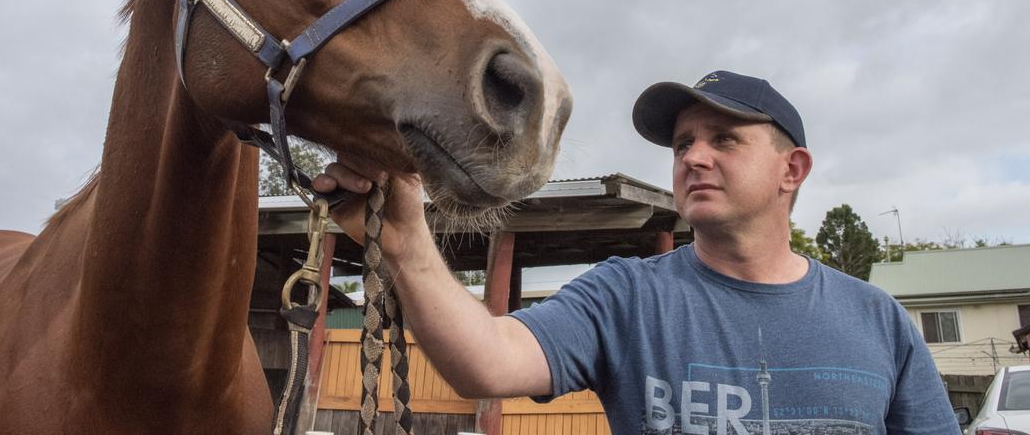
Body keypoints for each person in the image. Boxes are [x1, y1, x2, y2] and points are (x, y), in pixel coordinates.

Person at [316, 70, 958, 434]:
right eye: (682, 145)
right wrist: (402, 237)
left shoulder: (878, 321)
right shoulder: (625, 295)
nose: (694, 158)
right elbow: (488, 363)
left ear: (793, 169)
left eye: (725, 140)